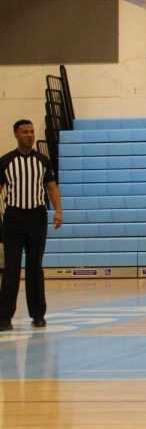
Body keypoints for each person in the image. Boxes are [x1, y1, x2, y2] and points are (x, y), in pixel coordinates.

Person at [0, 120, 63, 331]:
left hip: (36, 217)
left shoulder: (43, 161)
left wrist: (58, 212)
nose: (30, 135)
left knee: (35, 267)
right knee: (11, 267)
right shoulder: (6, 161)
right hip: (14, 218)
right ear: (16, 135)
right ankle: (4, 317)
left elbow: (52, 188)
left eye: (32, 131)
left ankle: (38, 315)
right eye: (25, 132)